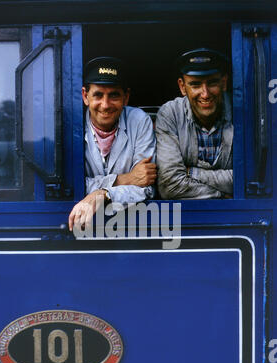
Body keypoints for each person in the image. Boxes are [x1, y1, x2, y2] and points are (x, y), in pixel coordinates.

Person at [68, 57, 156, 231]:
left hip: (131, 226)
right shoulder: (71, 125)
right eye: (98, 95)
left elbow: (146, 186)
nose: (105, 104)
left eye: (114, 95)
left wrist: (104, 194)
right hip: (83, 228)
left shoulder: (139, 121)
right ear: (85, 96)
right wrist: (125, 179)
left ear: (126, 97)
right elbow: (70, 186)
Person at [155, 48, 233, 199]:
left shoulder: (242, 111)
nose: (205, 93)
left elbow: (252, 178)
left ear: (224, 83)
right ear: (182, 87)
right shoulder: (170, 114)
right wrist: (223, 194)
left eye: (212, 83)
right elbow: (170, 185)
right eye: (195, 85)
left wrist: (192, 173)